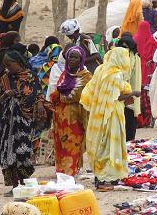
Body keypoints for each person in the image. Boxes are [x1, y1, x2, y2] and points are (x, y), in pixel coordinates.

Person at [80, 47, 140, 191]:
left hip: (98, 113)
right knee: (109, 145)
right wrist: (133, 93)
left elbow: (89, 91)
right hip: (111, 114)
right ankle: (105, 180)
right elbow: (116, 96)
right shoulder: (115, 74)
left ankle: (100, 177)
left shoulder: (101, 70)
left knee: (101, 143)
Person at [0, 51, 45, 195]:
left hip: (24, 120)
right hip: (8, 121)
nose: (7, 68)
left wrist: (39, 104)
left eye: (9, 65)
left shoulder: (31, 76)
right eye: (5, 65)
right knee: (8, 152)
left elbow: (38, 95)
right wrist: (6, 94)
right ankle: (14, 186)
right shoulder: (5, 78)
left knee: (22, 152)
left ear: (18, 63)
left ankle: (25, 184)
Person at [50, 46, 92, 176]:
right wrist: (57, 96)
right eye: (70, 57)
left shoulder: (86, 77)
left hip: (75, 117)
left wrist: (59, 95)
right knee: (60, 144)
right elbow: (55, 94)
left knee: (73, 144)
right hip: (60, 118)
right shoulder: (64, 75)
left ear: (81, 60)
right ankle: (61, 171)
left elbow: (75, 96)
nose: (72, 60)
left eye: (75, 57)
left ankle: (70, 172)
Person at [134, 21, 157, 127]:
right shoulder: (152, 40)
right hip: (149, 68)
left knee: (138, 91)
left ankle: (139, 117)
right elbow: (156, 55)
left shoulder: (135, 39)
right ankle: (149, 117)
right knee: (149, 92)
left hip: (137, 67)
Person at [118, 35, 142, 141]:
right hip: (121, 93)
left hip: (130, 92)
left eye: (126, 47)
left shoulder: (133, 57)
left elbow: (126, 76)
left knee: (129, 119)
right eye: (122, 47)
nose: (124, 49)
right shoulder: (120, 58)